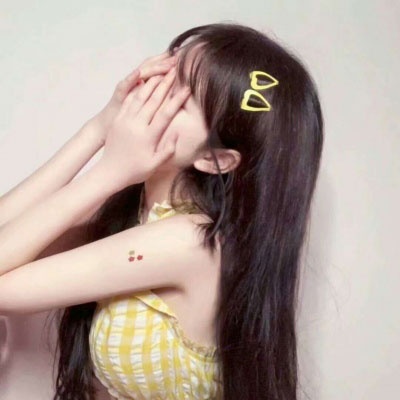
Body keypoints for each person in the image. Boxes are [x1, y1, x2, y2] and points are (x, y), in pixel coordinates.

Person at [0, 22, 324, 400]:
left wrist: (108, 172)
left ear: (214, 158)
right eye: (168, 70)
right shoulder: (136, 214)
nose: (151, 92)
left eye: (179, 99)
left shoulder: (190, 240)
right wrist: (98, 128)